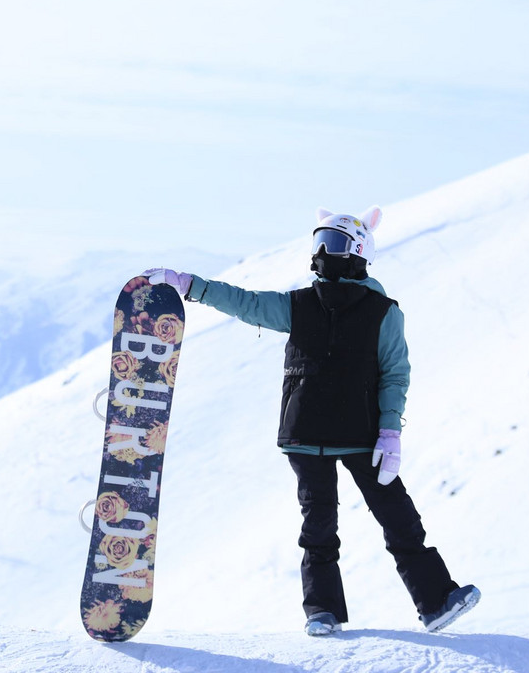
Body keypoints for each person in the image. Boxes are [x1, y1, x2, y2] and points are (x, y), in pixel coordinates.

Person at [144, 206, 479, 637]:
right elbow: (246, 303)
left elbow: (396, 373)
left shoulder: (384, 312)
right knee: (318, 526)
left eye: (334, 243)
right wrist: (192, 286)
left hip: (363, 435)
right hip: (306, 434)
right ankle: (322, 612)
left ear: (359, 251)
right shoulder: (298, 305)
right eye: (318, 242)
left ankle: (436, 602)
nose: (323, 252)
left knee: (399, 518)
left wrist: (391, 431)